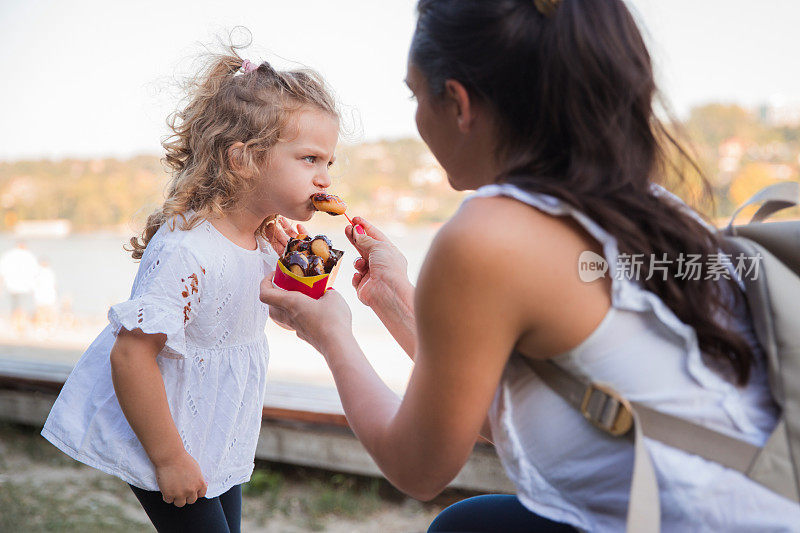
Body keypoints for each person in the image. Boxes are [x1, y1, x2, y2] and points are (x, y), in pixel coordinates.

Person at [258, 1, 800, 531]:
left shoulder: (487, 235)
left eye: (415, 94)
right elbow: (519, 416)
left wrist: (331, 333)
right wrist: (399, 300)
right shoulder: (649, 208)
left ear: (459, 103)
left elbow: (418, 467)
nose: (416, 117)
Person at [41, 48, 340, 532]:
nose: (325, 178)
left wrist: (297, 272)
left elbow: (281, 315)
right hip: (165, 435)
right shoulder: (188, 248)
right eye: (309, 159)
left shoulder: (263, 237)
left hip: (216, 433)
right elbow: (131, 357)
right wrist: (170, 459)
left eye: (329, 161)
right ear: (243, 158)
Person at [0, 241, 39, 330]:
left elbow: (2, 272)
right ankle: (21, 324)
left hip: (11, 286)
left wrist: (1, 285)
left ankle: (15, 323)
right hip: (26, 287)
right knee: (23, 306)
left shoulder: (8, 255)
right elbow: (36, 273)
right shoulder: (29, 256)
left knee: (15, 305)